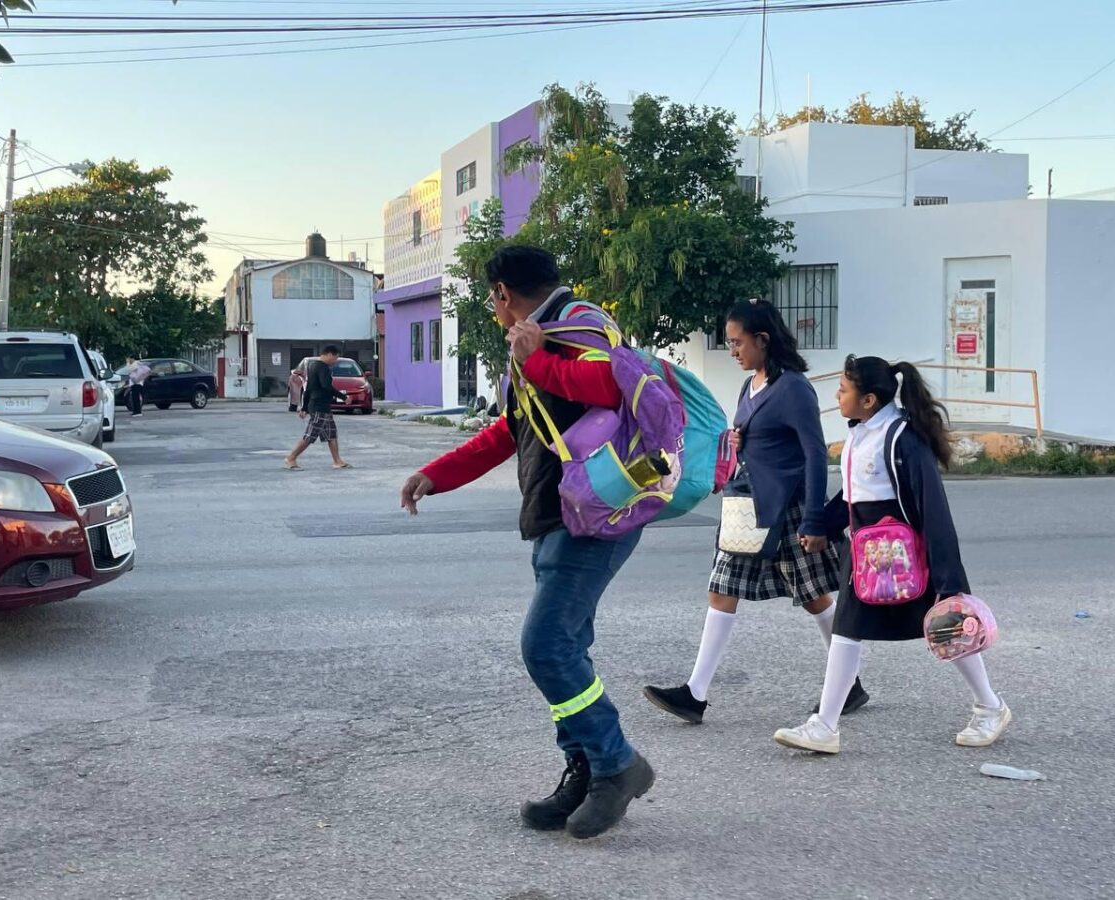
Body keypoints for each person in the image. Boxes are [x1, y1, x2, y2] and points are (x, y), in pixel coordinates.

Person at [399, 245, 655, 840]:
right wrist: (435, 474)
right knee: (568, 651)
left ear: (502, 295)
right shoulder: (538, 343)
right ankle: (585, 768)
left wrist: (534, 359)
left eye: (491, 299)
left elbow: (613, 386)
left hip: (595, 517)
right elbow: (508, 433)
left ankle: (618, 765)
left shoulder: (579, 328)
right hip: (555, 515)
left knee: (546, 647)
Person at [773, 355, 1012, 755]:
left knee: (947, 626)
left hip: (905, 557)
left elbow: (932, 507)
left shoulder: (902, 438)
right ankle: (824, 727)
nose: (838, 394)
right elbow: (852, 498)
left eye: (844, 389)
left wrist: (949, 581)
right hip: (865, 555)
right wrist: (821, 528)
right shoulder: (859, 435)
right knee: (846, 629)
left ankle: (990, 706)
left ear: (868, 400)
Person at [644, 299, 868, 724]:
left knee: (811, 595)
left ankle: (849, 682)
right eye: (728, 343)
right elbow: (760, 437)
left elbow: (815, 454)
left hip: (789, 505)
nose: (732, 350)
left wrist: (814, 519)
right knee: (722, 588)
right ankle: (695, 693)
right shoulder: (751, 386)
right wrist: (741, 442)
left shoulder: (794, 387)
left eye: (737, 342)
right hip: (748, 506)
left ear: (763, 340)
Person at [284, 346, 351, 470]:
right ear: (329, 354)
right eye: (335, 358)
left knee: (331, 434)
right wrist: (343, 396)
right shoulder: (322, 367)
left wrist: (304, 407)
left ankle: (337, 461)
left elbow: (309, 388)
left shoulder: (312, 365)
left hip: (323, 407)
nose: (335, 361)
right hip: (319, 407)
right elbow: (326, 386)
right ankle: (291, 458)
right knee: (310, 435)